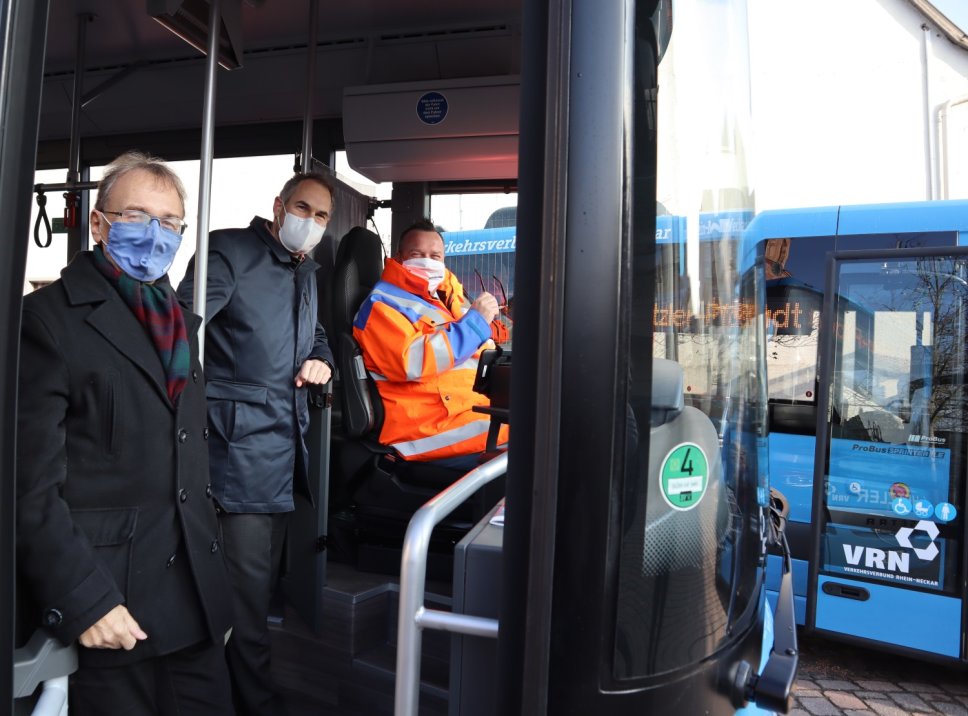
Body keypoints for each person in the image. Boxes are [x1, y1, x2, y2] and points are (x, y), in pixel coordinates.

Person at [16, 151, 234, 715]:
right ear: (98, 222)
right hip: (111, 606)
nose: (153, 234)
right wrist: (83, 600)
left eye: (169, 223)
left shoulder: (180, 322)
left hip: (194, 599)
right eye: (136, 215)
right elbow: (25, 484)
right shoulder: (46, 321)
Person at [177, 171, 334, 716]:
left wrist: (322, 361)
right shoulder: (228, 251)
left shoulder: (305, 271)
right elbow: (183, 331)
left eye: (321, 217)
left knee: (259, 590)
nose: (309, 222)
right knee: (246, 602)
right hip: (235, 454)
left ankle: (232, 695)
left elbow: (314, 335)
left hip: (283, 453)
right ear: (278, 205)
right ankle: (257, 703)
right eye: (303, 208)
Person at [353, 218, 509, 470]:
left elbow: (475, 335)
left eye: (435, 256)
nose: (427, 261)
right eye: (417, 254)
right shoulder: (380, 306)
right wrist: (475, 323)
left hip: (462, 406)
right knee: (534, 434)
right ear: (400, 257)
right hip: (424, 427)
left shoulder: (442, 295)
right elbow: (410, 362)